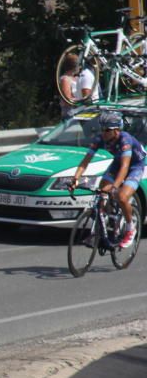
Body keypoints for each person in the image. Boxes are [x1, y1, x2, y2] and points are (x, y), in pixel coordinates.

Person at [71, 111, 143, 249]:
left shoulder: (125, 140)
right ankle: (101, 226)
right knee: (101, 191)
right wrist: (75, 178)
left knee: (121, 197)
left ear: (117, 130)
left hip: (135, 166)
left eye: (107, 130)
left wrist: (115, 186)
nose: (103, 132)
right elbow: (85, 162)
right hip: (118, 163)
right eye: (102, 129)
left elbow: (125, 167)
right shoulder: (100, 139)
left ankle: (130, 228)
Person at [59, 53, 80, 120]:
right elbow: (67, 100)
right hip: (70, 114)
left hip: (78, 111)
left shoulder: (76, 78)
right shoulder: (65, 79)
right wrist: (82, 101)